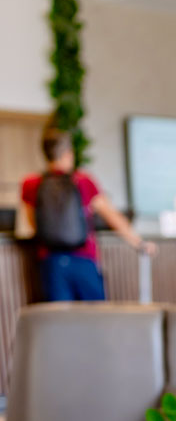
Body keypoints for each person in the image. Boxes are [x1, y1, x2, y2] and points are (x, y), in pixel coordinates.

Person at [21, 127, 155, 302]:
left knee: (59, 323)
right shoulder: (83, 181)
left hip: (51, 262)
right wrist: (139, 242)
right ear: (68, 154)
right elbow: (113, 217)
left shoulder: (31, 184)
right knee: (96, 319)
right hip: (84, 259)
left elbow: (32, 223)